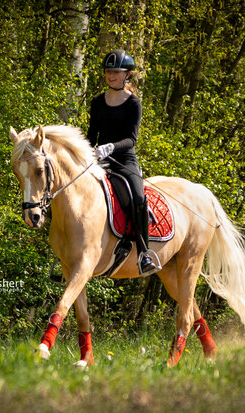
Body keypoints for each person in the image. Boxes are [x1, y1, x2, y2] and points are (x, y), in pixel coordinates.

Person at [87, 49, 161, 276]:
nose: (111, 76)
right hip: (99, 158)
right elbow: (91, 135)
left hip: (124, 160)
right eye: (109, 72)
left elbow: (132, 139)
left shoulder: (133, 104)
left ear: (127, 75)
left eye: (116, 72)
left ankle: (144, 253)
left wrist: (111, 147)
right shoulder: (97, 102)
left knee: (138, 198)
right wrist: (88, 153)